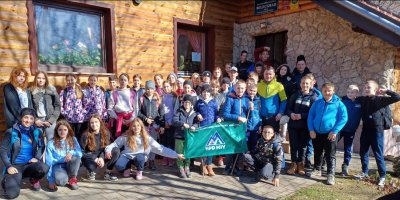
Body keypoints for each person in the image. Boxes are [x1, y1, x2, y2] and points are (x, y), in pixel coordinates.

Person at [105, 118, 184, 180]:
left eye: (138, 125)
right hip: (127, 156)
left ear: (141, 127)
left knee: (140, 158)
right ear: (131, 127)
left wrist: (176, 155)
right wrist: (108, 150)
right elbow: (115, 144)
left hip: (140, 157)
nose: (136, 128)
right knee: (119, 165)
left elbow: (161, 149)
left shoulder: (147, 138)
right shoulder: (126, 136)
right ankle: (127, 167)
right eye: (134, 126)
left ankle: (139, 171)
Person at [354, 80, 400, 186]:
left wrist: (386, 91)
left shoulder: (381, 99)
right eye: (365, 87)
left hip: (377, 131)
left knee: (378, 155)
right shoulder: (363, 99)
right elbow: (350, 98)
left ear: (375, 89)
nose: (366, 89)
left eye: (369, 87)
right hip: (365, 130)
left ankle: (382, 176)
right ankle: (364, 172)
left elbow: (397, 97)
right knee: (363, 152)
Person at [0, 108, 49, 199]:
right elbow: (2, 149)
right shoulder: (11, 132)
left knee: (44, 167)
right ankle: (8, 179)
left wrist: (37, 158)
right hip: (15, 166)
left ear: (34, 120)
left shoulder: (37, 132)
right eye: (26, 117)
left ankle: (33, 179)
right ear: (21, 118)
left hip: (29, 164)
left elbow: (42, 146)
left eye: (31, 118)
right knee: (12, 194)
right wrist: (9, 166)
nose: (28, 121)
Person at [307, 82, 348, 185]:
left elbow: (344, 118)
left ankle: (330, 174)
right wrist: (311, 129)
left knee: (330, 155)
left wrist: (335, 130)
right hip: (316, 133)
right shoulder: (317, 102)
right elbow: (311, 116)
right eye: (325, 91)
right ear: (322, 91)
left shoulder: (339, 104)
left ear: (333, 91)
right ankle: (317, 169)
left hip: (331, 134)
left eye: (329, 91)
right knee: (318, 152)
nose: (327, 92)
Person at [286, 75, 318, 175]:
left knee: (303, 146)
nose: (305, 85)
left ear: (311, 84)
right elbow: (288, 109)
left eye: (307, 83)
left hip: (305, 127)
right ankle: (294, 164)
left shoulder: (314, 97)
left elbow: (313, 113)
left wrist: (301, 115)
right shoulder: (295, 95)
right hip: (293, 126)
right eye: (303, 83)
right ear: (300, 84)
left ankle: (301, 164)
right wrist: (291, 114)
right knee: (293, 145)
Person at [80, 114, 120, 181]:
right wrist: (94, 158)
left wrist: (101, 157)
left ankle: (108, 172)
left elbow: (107, 147)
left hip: (102, 154)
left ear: (100, 122)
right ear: (89, 124)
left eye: (96, 122)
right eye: (92, 123)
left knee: (116, 150)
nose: (94, 124)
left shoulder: (106, 133)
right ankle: (90, 171)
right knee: (91, 166)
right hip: (90, 156)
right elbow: (81, 151)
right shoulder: (85, 135)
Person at [46, 120, 83, 191]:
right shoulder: (51, 143)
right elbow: (49, 162)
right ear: (56, 130)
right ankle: (64, 177)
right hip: (58, 166)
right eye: (60, 130)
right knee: (61, 181)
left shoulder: (73, 139)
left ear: (68, 130)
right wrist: (51, 181)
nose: (62, 132)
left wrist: (71, 152)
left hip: (70, 164)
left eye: (65, 130)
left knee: (76, 158)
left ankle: (72, 178)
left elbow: (79, 153)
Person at [222, 80, 250, 176]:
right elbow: (225, 114)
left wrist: (252, 108)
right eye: (238, 88)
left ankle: (237, 167)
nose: (240, 90)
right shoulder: (230, 98)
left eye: (242, 88)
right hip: (232, 128)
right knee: (231, 149)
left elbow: (249, 114)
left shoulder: (247, 99)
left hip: (242, 128)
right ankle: (228, 167)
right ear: (234, 88)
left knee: (239, 149)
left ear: (245, 89)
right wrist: (237, 118)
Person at [137, 80, 164, 170]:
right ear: (145, 89)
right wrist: (145, 119)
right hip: (144, 125)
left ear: (154, 89)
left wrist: (161, 125)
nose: (149, 91)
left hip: (155, 126)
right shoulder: (141, 99)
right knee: (144, 143)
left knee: (153, 143)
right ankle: (144, 160)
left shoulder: (158, 99)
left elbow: (161, 114)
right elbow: (138, 112)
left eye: (151, 89)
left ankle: (152, 160)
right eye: (148, 89)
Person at [194, 84, 221, 176]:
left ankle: (209, 165)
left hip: (211, 128)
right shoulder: (199, 102)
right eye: (204, 92)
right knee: (204, 147)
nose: (205, 94)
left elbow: (217, 113)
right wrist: (198, 114)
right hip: (202, 128)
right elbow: (195, 111)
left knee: (211, 147)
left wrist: (218, 118)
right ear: (201, 93)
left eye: (207, 92)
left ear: (210, 93)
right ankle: (203, 165)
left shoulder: (213, 102)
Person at [30, 71, 61, 141]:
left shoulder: (52, 90)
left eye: (43, 78)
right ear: (35, 79)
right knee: (37, 141)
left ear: (46, 79)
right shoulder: (31, 91)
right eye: (39, 78)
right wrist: (35, 120)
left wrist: (51, 121)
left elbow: (57, 107)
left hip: (50, 120)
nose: (41, 80)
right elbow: (30, 108)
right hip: (38, 121)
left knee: (51, 141)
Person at [338, 84, 362, 176]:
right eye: (348, 92)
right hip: (340, 129)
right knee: (331, 145)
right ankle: (324, 161)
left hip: (351, 130)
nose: (349, 94)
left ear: (356, 93)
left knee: (348, 149)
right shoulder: (342, 101)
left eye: (352, 92)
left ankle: (345, 166)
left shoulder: (360, 103)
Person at [173, 94, 198, 178]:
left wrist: (194, 126)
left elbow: (197, 122)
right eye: (185, 102)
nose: (187, 104)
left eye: (189, 102)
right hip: (179, 136)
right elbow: (174, 121)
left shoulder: (194, 113)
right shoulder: (178, 111)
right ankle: (180, 167)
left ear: (191, 104)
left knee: (188, 152)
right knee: (180, 153)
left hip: (189, 136)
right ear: (183, 103)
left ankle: (187, 167)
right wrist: (182, 124)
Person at [257, 66, 287, 132]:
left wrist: (280, 113)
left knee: (274, 139)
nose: (268, 76)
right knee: (261, 139)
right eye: (266, 74)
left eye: (270, 74)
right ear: (263, 74)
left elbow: (284, 100)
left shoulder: (279, 85)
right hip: (261, 117)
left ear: (274, 74)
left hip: (274, 117)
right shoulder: (258, 85)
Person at [107, 73, 136, 139]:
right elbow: (110, 109)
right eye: (121, 80)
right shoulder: (114, 93)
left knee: (130, 138)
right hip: (118, 119)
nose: (123, 81)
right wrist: (117, 118)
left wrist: (130, 119)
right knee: (119, 139)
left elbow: (136, 108)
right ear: (118, 81)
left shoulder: (132, 93)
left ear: (128, 81)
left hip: (130, 119)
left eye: (125, 80)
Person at [60, 74, 86, 140]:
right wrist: (64, 113)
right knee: (70, 136)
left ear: (75, 79)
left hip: (79, 119)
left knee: (79, 136)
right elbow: (60, 104)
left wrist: (83, 112)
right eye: (68, 80)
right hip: (69, 119)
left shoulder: (81, 90)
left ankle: (80, 149)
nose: (70, 81)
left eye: (72, 79)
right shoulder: (64, 92)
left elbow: (86, 103)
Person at [160, 81, 179, 166]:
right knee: (164, 141)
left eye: (168, 86)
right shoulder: (161, 97)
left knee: (171, 141)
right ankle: (165, 157)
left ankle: (171, 158)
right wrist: (164, 123)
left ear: (171, 87)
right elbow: (160, 111)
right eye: (164, 87)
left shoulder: (175, 97)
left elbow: (176, 110)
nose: (166, 88)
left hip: (172, 123)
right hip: (164, 123)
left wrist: (171, 122)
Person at [246, 84, 261, 152]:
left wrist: (253, 109)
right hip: (247, 126)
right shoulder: (245, 99)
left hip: (255, 126)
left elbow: (259, 113)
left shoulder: (258, 101)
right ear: (247, 90)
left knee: (254, 143)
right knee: (246, 142)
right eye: (251, 90)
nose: (252, 92)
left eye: (254, 91)